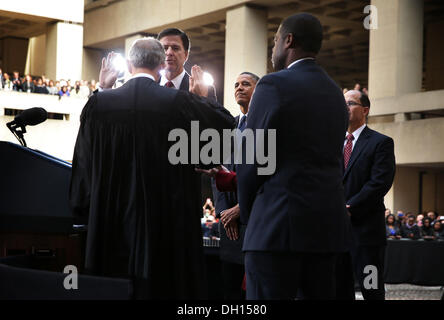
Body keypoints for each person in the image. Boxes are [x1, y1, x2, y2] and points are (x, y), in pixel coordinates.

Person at [69, 37, 234, 299]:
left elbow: (84, 168)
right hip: (164, 232)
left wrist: (102, 88)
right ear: (161, 65)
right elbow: (221, 138)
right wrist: (204, 100)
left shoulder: (99, 105)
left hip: (111, 228)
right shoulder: (178, 103)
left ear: (130, 64)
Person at [235, 13, 350, 300]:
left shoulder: (272, 86)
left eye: (275, 40)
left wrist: (249, 216)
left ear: (288, 41)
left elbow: (252, 161)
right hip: (325, 232)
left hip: (275, 230)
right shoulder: (336, 93)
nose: (272, 48)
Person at [207, 71, 259, 300]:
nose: (239, 87)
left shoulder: (266, 126)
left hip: (256, 221)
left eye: (246, 84)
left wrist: (241, 209)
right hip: (229, 224)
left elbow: (268, 176)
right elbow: (215, 171)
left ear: (259, 90)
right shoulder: (227, 128)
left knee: (254, 290)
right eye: (236, 84)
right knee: (229, 289)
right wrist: (223, 213)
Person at [342, 89, 396, 300]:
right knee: (339, 288)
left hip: (366, 235)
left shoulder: (380, 142)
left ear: (364, 110)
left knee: (371, 289)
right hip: (337, 234)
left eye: (350, 103)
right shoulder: (332, 143)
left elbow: (379, 183)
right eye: (342, 103)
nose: (345, 107)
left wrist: (350, 207)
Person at [157, 28, 217, 100]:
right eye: (164, 48)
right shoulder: (146, 86)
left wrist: (200, 99)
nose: (169, 53)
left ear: (186, 55)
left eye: (175, 48)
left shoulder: (204, 90)